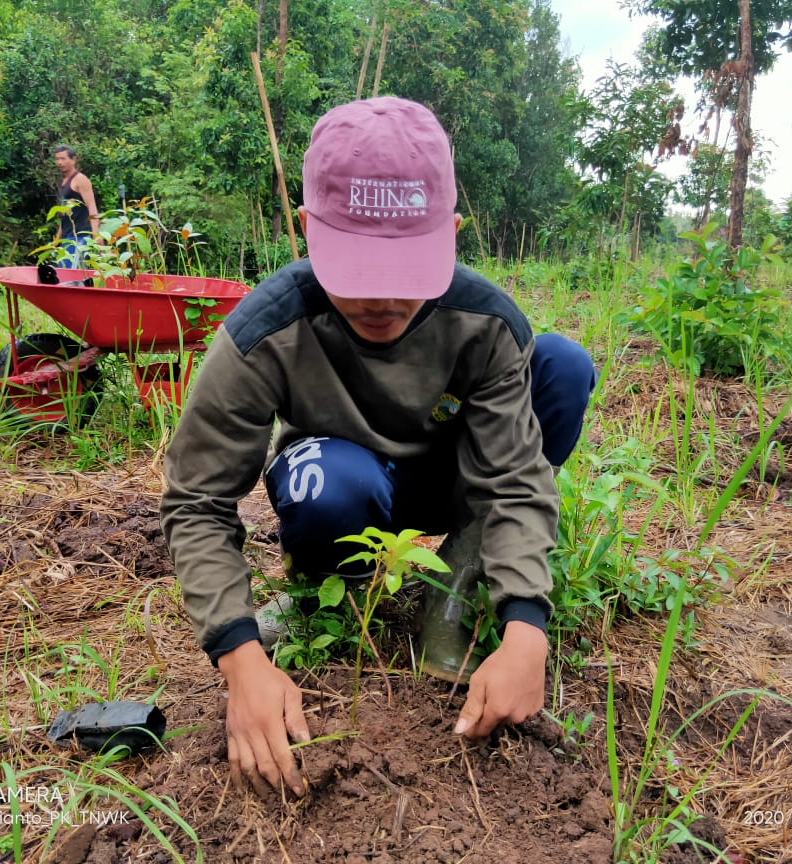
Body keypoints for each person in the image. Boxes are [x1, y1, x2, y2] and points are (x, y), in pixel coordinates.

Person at [159, 97, 595, 798]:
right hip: (345, 483)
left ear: (451, 234)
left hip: (455, 479)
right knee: (330, 484)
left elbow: (514, 480)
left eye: (408, 268)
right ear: (307, 231)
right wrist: (238, 657)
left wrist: (526, 629)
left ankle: (458, 579)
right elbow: (196, 500)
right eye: (360, 269)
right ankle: (322, 595)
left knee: (564, 367)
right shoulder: (263, 334)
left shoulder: (485, 325)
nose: (384, 300)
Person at [52, 144, 100, 268]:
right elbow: (65, 214)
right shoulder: (64, 182)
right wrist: (57, 239)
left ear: (73, 159)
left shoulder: (80, 180)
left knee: (73, 275)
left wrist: (96, 236)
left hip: (80, 236)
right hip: (67, 237)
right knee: (61, 274)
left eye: (63, 158)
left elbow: (92, 208)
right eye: (57, 159)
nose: (59, 162)